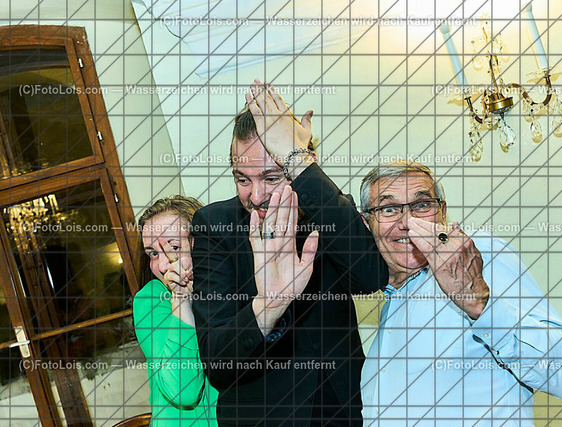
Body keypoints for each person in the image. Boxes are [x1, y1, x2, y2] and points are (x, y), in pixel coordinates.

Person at [190, 80, 389, 426]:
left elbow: (372, 275)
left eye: (271, 178)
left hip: (345, 410)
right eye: (242, 179)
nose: (256, 196)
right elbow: (217, 364)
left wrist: (300, 162)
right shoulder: (214, 226)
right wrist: (269, 306)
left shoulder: (325, 211)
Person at [359, 160, 562, 426]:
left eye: (422, 205)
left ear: (442, 212)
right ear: (367, 222)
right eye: (388, 209)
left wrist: (480, 303)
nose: (407, 222)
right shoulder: (390, 301)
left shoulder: (477, 254)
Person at [133, 196, 219, 426]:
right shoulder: (151, 299)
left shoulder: (228, 288)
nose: (162, 266)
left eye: (174, 247)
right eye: (153, 253)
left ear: (201, 242)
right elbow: (183, 391)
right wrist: (181, 302)